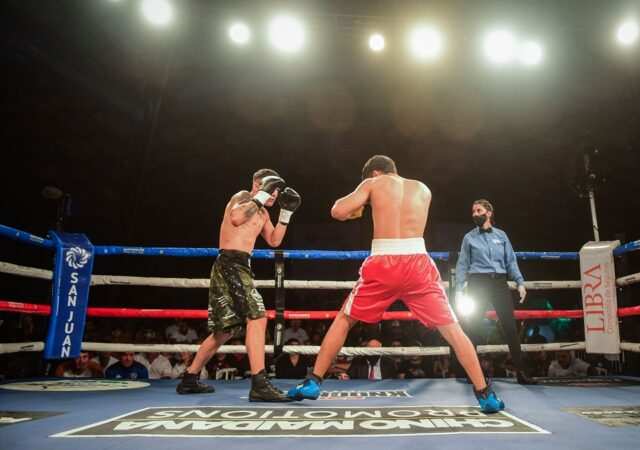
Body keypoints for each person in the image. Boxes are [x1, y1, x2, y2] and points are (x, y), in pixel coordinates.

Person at [287, 155, 505, 413]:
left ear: (375, 173)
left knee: (345, 319)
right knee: (453, 329)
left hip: (383, 262)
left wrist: (361, 206)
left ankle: (314, 381)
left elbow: (338, 211)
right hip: (418, 262)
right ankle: (485, 394)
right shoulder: (423, 188)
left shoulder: (373, 184)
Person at [176, 168, 301, 401]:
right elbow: (236, 218)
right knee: (258, 316)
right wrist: (261, 194)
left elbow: (274, 240)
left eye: (276, 190)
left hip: (239, 265)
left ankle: (189, 378)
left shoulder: (262, 213)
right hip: (229, 262)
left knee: (225, 329)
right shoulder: (243, 198)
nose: (274, 193)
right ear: (256, 184)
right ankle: (260, 383)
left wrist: (286, 213)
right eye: (270, 187)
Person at [454, 199, 535, 385]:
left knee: (510, 328)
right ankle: (471, 374)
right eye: (473, 211)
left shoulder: (502, 236)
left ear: (488, 213)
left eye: (478, 210)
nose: (475, 214)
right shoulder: (469, 238)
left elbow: (511, 261)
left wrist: (520, 282)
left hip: (499, 282)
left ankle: (522, 373)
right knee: (472, 328)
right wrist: (459, 289)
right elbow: (462, 264)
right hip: (478, 283)